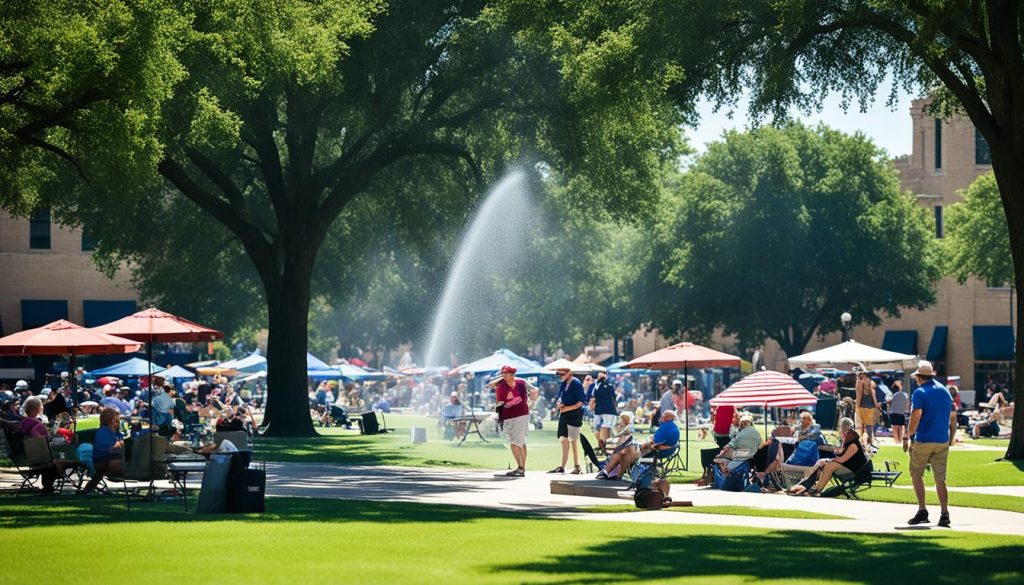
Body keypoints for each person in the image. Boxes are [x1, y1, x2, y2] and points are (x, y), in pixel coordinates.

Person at [904, 359, 956, 527]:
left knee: (916, 473)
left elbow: (915, 417)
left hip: (924, 439)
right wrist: (952, 435)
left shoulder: (920, 393)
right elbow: (953, 416)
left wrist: (908, 436)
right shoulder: (945, 391)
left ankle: (922, 510)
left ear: (919, 377)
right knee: (940, 479)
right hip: (942, 440)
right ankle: (944, 513)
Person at [787, 417, 867, 496]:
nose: (839, 429)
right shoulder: (848, 440)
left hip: (856, 470)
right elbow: (841, 455)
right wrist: (829, 458)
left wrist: (829, 460)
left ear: (844, 428)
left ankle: (817, 490)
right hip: (849, 466)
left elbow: (842, 459)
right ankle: (810, 486)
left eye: (840, 427)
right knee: (821, 462)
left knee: (830, 465)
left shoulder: (853, 444)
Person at [596, 410, 679, 480]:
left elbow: (653, 443)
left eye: (665, 415)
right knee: (624, 450)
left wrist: (645, 444)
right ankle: (615, 474)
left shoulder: (667, 426)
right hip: (655, 449)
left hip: (653, 450)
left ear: (670, 418)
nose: (662, 416)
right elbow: (655, 440)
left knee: (623, 450)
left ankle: (607, 471)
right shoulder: (672, 427)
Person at [494, 365, 537, 477]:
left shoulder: (520, 382)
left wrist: (530, 403)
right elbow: (500, 403)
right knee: (521, 441)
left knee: (514, 442)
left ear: (511, 374)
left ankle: (520, 468)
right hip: (514, 415)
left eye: (505, 373)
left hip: (518, 414)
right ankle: (522, 468)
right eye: (502, 373)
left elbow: (534, 391)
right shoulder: (507, 384)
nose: (503, 375)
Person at [80, 407, 125, 494]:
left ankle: (86, 491)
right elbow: (106, 451)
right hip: (102, 462)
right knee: (128, 461)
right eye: (117, 421)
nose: (119, 423)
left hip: (108, 460)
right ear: (112, 420)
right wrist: (117, 445)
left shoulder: (114, 432)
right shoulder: (103, 433)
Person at [550, 366, 585, 474]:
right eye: (559, 374)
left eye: (562, 374)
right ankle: (562, 466)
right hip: (564, 415)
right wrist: (558, 405)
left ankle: (577, 466)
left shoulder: (576, 383)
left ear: (570, 373)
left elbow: (580, 403)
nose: (560, 376)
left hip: (574, 415)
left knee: (573, 440)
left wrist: (566, 408)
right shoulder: (564, 383)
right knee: (563, 439)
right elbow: (560, 396)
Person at [589, 371, 617, 453]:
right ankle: (603, 447)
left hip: (607, 411)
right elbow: (591, 397)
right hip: (601, 411)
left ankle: (606, 448)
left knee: (605, 428)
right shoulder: (596, 386)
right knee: (598, 429)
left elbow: (613, 396)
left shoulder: (607, 384)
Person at [854, 366, 878, 447]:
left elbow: (859, 395)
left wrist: (856, 407)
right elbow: (874, 397)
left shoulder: (859, 382)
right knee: (869, 428)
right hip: (871, 407)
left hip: (861, 407)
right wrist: (876, 408)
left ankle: (861, 444)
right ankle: (870, 444)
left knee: (859, 428)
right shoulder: (872, 382)